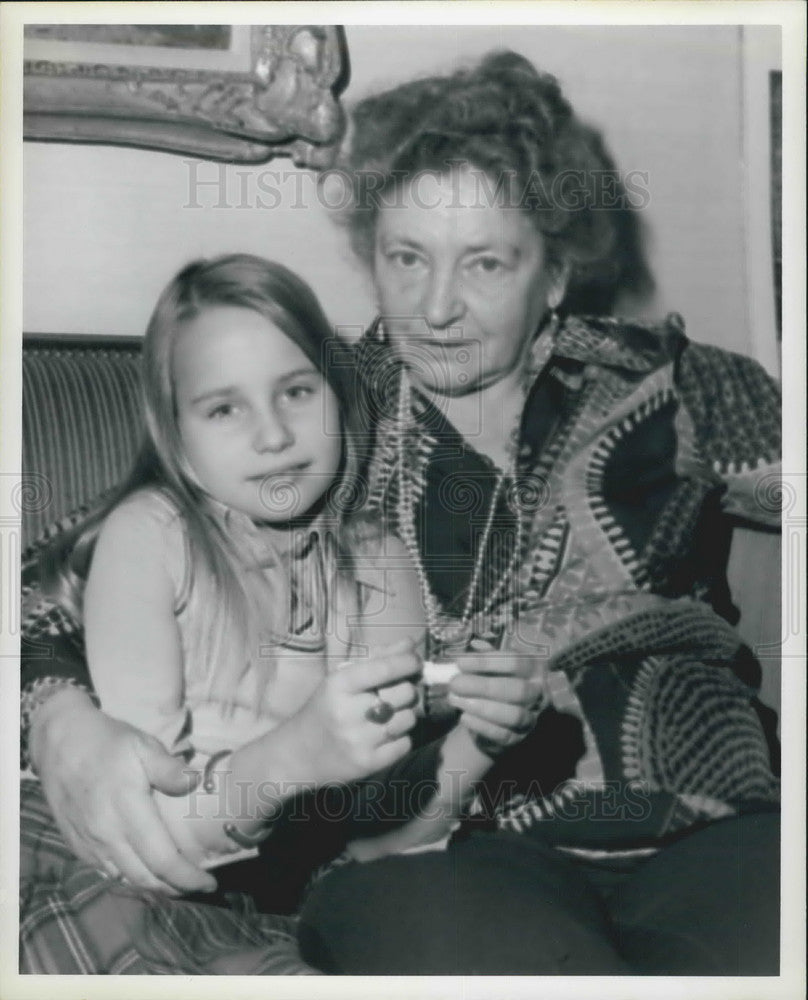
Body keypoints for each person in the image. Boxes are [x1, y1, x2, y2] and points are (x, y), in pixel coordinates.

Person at [22, 52, 782, 975]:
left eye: (486, 264)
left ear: (553, 275)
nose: (436, 309)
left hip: (702, 815)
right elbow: (61, 571)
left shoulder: (676, 387)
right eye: (407, 257)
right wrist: (64, 722)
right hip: (439, 847)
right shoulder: (321, 413)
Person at [20, 252, 537, 974]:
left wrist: (480, 740)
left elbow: (377, 841)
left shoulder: (378, 561)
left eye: (296, 391)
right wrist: (292, 756)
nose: (272, 436)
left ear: (338, 395)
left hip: (280, 905)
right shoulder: (151, 537)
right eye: (224, 408)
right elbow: (146, 837)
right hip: (117, 870)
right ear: (177, 436)